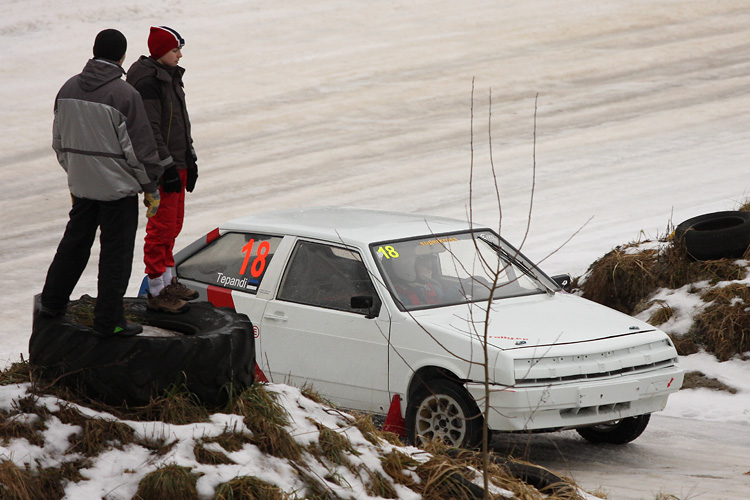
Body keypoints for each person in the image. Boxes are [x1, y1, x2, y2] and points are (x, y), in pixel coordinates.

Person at [40, 29, 163, 337]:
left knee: (74, 245)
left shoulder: (67, 88)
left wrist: (76, 176)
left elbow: (59, 143)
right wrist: (150, 188)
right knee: (115, 256)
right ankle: (110, 321)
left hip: (83, 187)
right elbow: (140, 151)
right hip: (117, 191)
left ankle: (51, 303)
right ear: (122, 56)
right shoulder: (124, 94)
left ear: (94, 51)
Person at [126, 26, 198, 313]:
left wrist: (190, 158)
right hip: (163, 167)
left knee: (173, 224)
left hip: (177, 162)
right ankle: (156, 289)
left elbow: (180, 123)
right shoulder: (148, 82)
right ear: (160, 51)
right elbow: (150, 130)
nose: (180, 55)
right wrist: (166, 166)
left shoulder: (169, 76)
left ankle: (168, 282)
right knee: (161, 228)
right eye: (175, 50)